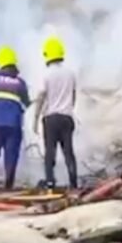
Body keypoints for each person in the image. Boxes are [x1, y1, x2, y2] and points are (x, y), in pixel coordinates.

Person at [33, 36, 78, 190]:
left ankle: (50, 182)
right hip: (67, 117)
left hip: (50, 118)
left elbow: (41, 96)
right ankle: (73, 183)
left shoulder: (46, 74)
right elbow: (73, 96)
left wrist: (35, 118)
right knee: (68, 152)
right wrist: (69, 109)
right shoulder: (70, 74)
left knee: (50, 152)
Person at [0, 46, 31, 192]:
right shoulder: (19, 83)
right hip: (13, 125)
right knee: (10, 156)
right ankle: (8, 186)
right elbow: (26, 103)